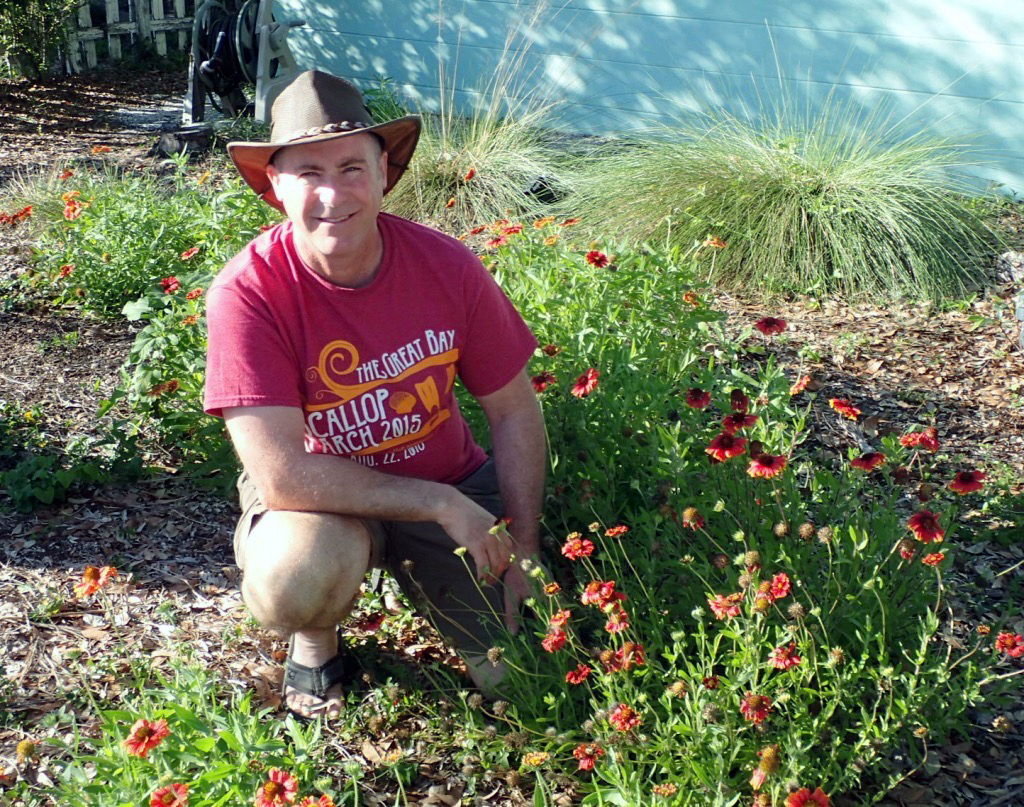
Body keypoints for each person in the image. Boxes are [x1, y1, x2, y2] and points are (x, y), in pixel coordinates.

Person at [203, 70, 545, 718]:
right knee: (292, 579)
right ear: (275, 186)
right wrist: (438, 502)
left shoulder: (448, 267)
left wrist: (523, 547)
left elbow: (514, 408)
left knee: (524, 682)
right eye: (308, 172)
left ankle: (452, 589)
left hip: (447, 478)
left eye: (351, 168)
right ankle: (316, 639)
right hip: (322, 504)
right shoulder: (246, 294)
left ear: (384, 172)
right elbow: (282, 473)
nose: (333, 193)